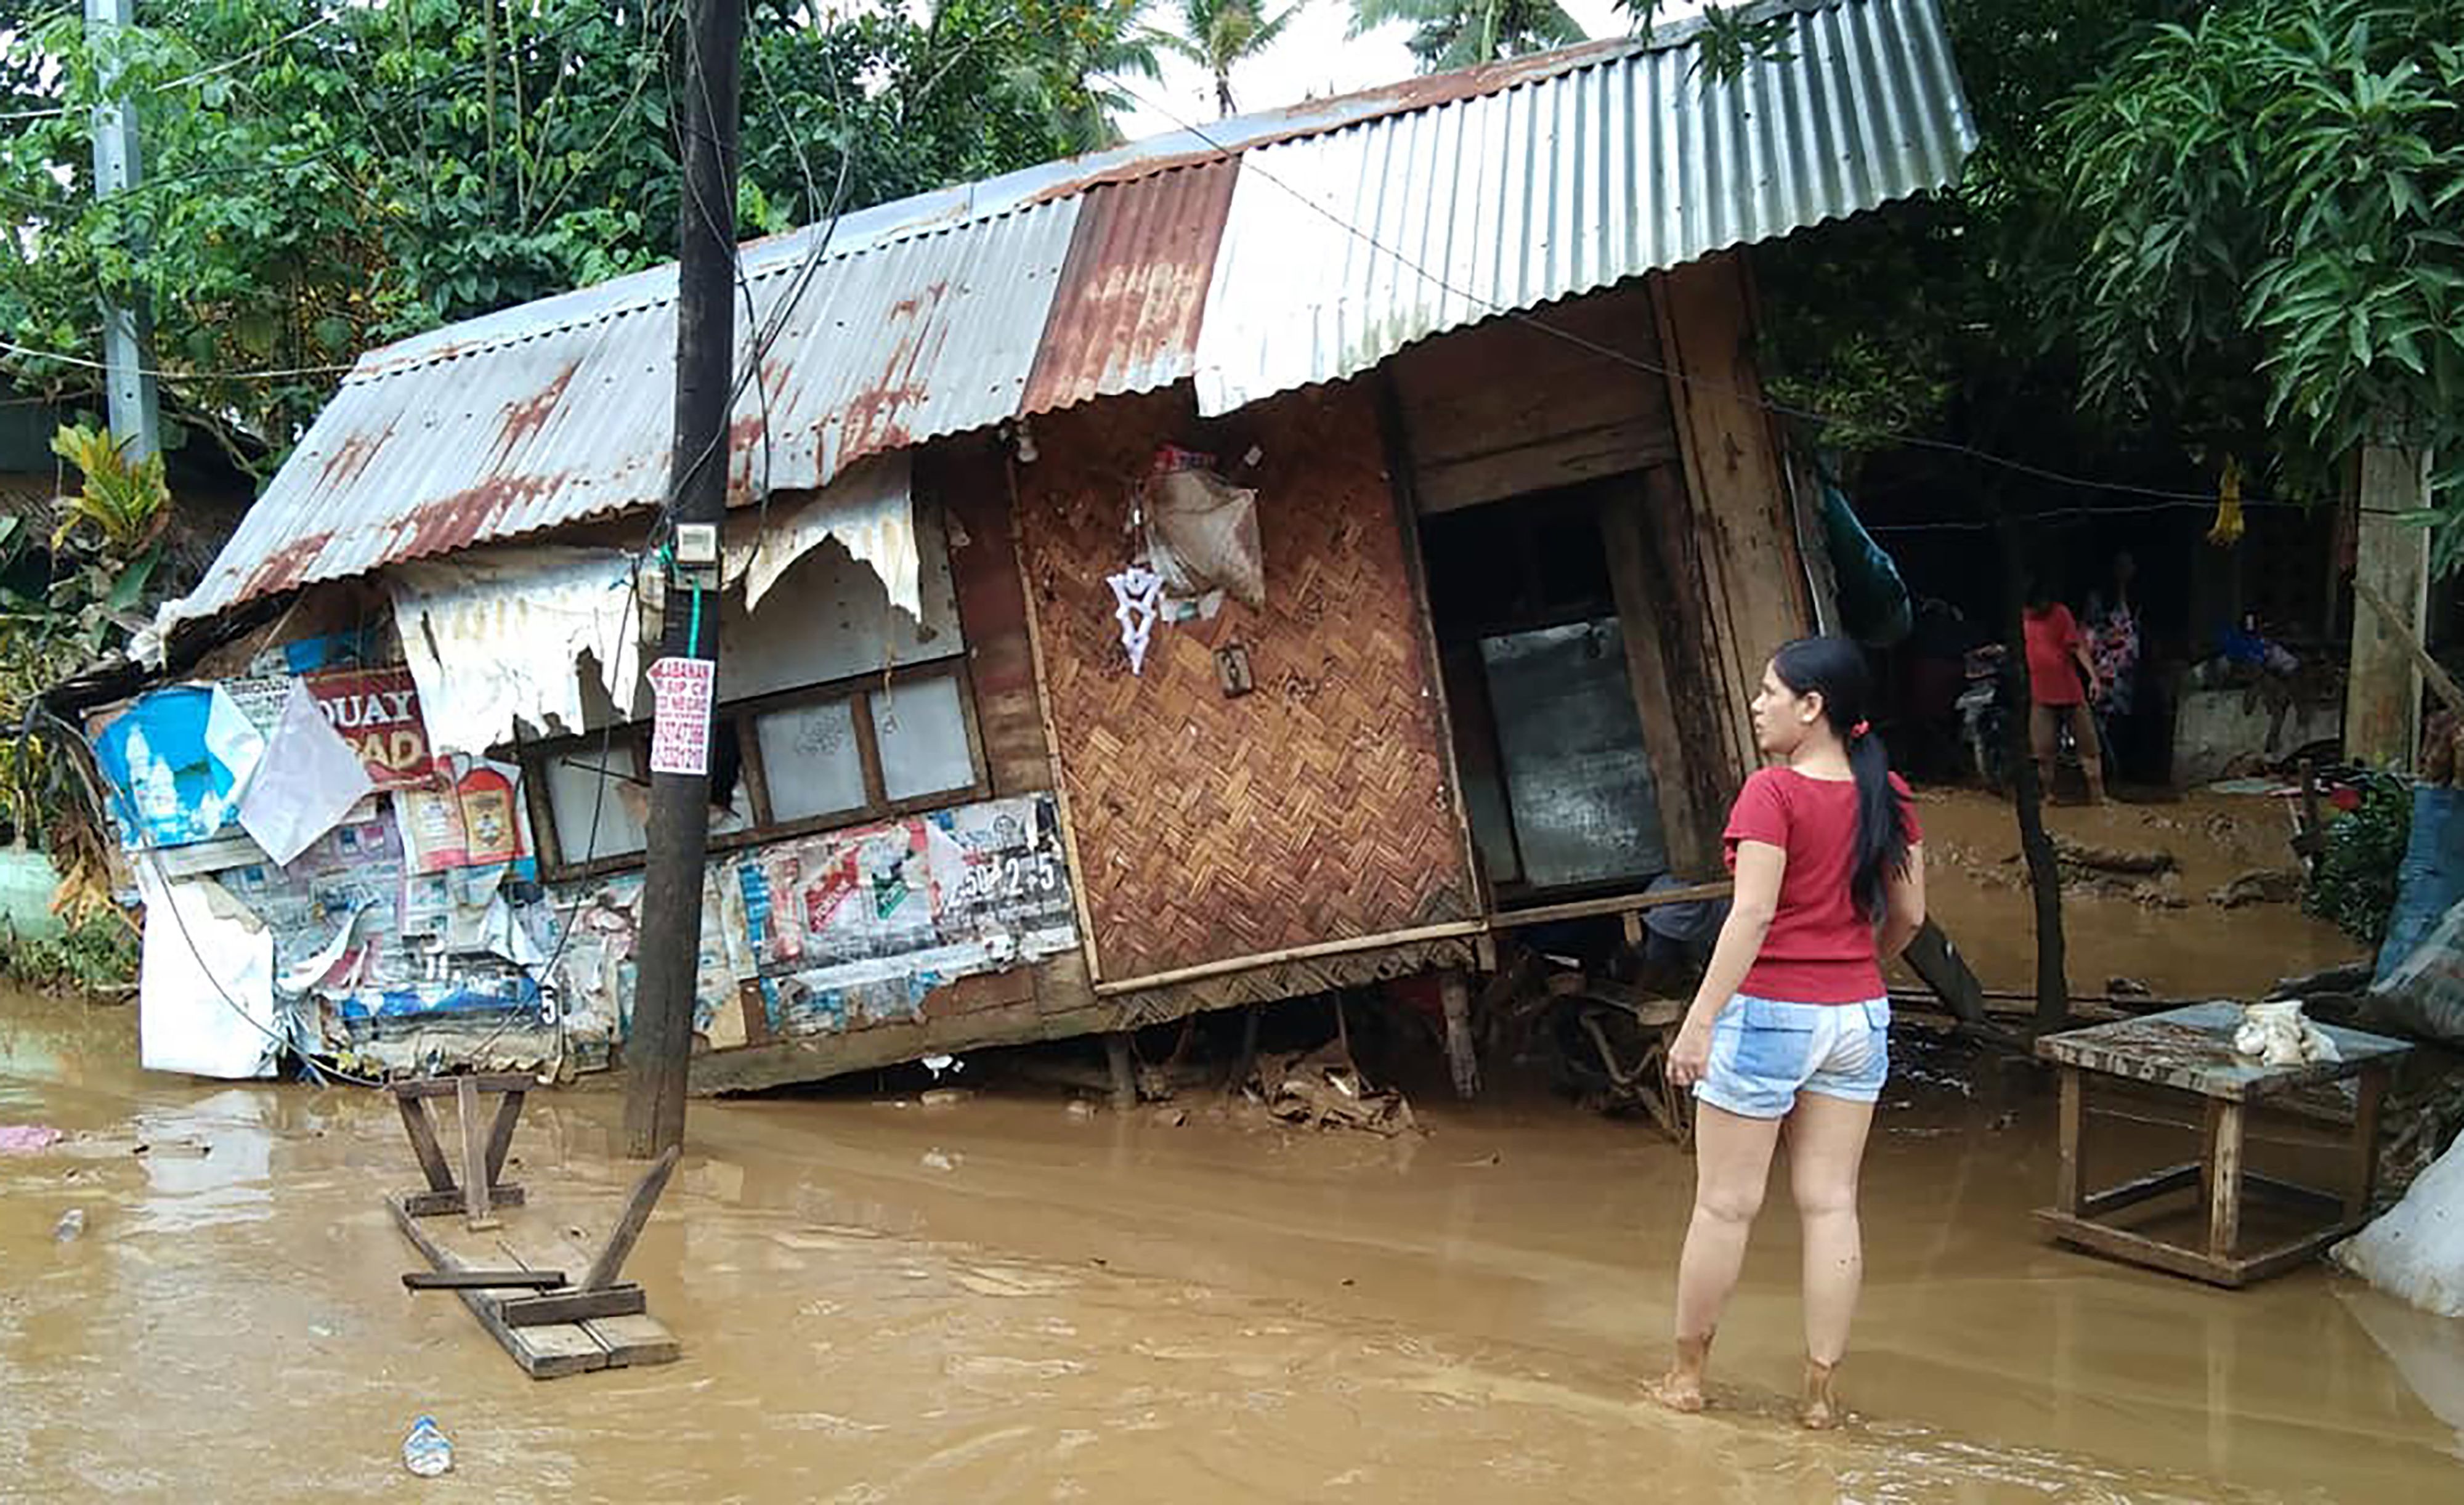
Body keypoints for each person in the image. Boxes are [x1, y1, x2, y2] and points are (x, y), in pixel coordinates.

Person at [1654, 637, 1926, 1430]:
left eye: (1770, 691)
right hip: (1858, 1018)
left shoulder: (1771, 795)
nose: (1756, 703)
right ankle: (1817, 1397)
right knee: (1832, 1205)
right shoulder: (1892, 793)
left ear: (1813, 707)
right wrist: (1851, 970)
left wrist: (1697, 1022)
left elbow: (1752, 914)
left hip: (1769, 1012)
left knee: (1725, 1207)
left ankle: (1685, 1378)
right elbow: (1908, 915)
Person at [2022, 580, 2105, 803]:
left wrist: (2093, 678)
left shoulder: (2060, 614)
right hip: (2040, 693)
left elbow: (2077, 646)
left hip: (2070, 690)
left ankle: (2099, 797)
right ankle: (2048, 796)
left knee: (2089, 748)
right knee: (2042, 752)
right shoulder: (2022, 619)